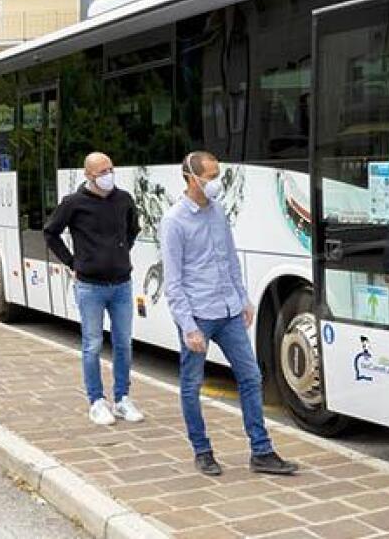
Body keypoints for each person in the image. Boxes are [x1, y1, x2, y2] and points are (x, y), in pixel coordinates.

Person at [160, 151, 298, 477]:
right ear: (191, 178)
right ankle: (202, 450)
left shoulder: (218, 210)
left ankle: (261, 451)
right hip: (199, 315)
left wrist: (244, 299)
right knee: (191, 385)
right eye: (210, 177)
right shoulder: (174, 221)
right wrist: (188, 326)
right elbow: (173, 281)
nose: (216, 183)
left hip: (229, 310)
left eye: (217, 175)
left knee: (251, 377)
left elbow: (229, 258)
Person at [44, 152, 144, 427]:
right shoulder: (74, 203)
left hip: (122, 284)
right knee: (93, 345)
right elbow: (50, 232)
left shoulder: (123, 199)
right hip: (90, 286)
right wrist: (72, 262)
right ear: (88, 175)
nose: (108, 175)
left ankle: (122, 398)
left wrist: (120, 253)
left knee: (124, 344)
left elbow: (132, 229)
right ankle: (96, 401)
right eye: (102, 172)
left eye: (110, 169)